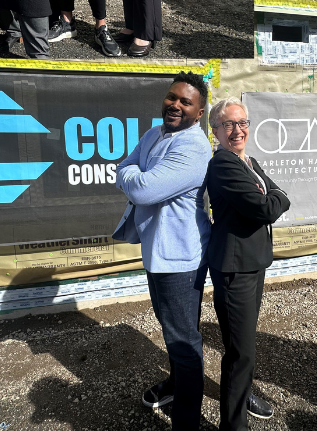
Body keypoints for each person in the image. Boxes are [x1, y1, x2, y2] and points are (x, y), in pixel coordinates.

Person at [112, 72, 212, 431]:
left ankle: (187, 420)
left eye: (186, 102)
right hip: (158, 252)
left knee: (184, 340)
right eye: (172, 97)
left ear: (199, 113)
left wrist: (134, 176)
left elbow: (140, 190)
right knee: (174, 329)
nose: (175, 105)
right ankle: (174, 386)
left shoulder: (194, 148)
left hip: (180, 259)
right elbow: (123, 168)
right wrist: (133, 175)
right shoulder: (154, 134)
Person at [207, 97, 290, 430]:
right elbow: (268, 207)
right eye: (229, 124)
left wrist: (275, 197)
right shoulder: (223, 163)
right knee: (241, 352)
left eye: (242, 123)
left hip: (255, 262)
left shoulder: (249, 161)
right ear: (215, 130)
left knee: (242, 346)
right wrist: (275, 197)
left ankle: (241, 395)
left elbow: (277, 195)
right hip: (235, 267)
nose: (237, 130)